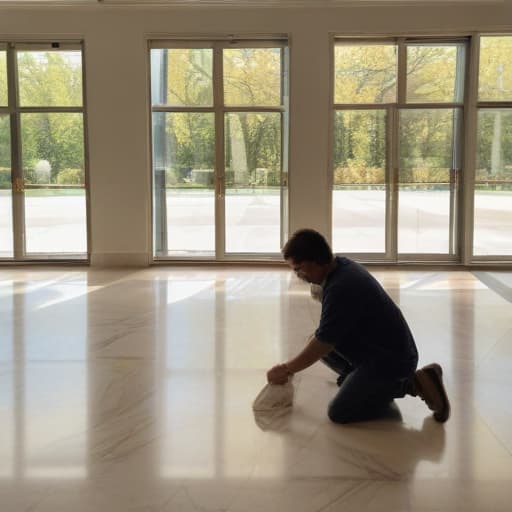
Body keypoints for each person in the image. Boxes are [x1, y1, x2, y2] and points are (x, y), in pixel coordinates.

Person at [267, 228, 450, 424]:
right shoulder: (341, 266)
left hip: (392, 361)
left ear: (316, 260)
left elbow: (324, 343)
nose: (298, 275)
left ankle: (413, 384)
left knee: (339, 412)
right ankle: (364, 386)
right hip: (383, 350)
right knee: (316, 341)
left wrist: (287, 369)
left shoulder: (341, 287)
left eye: (298, 268)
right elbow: (324, 336)